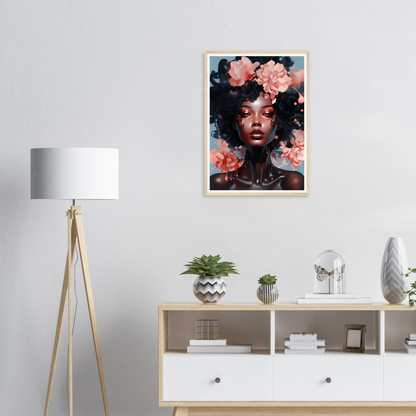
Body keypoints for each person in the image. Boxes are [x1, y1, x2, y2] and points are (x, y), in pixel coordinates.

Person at [209, 56, 305, 191]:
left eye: (266, 114)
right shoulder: (219, 184)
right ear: (234, 122)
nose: (256, 122)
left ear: (280, 122)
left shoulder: (293, 183)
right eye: (246, 114)